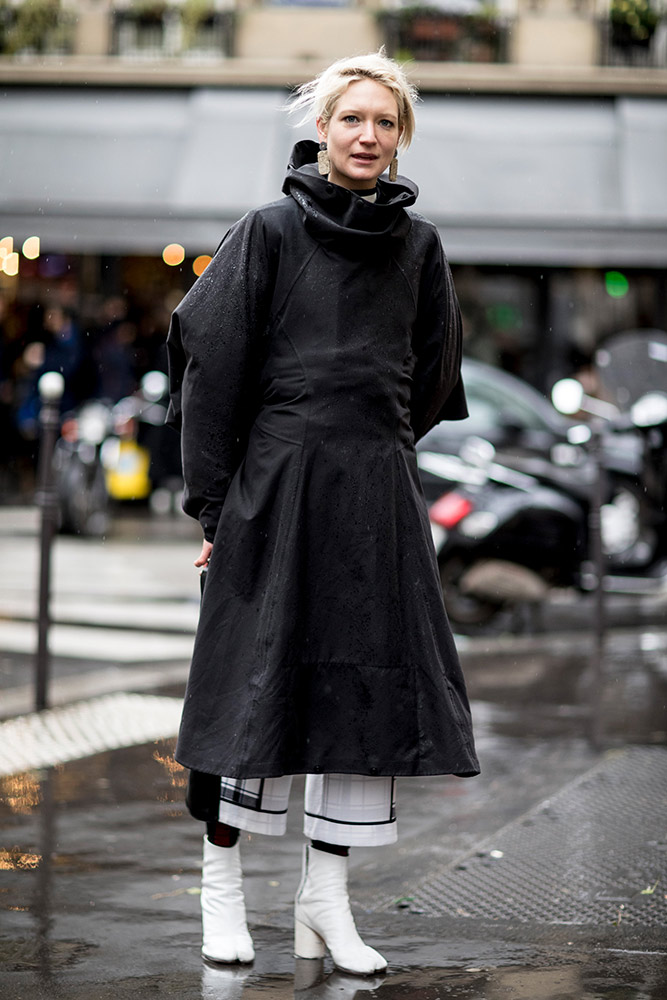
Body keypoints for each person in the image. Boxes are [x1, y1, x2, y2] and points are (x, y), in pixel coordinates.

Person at [166, 50, 479, 976]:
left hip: (374, 498)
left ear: (400, 136)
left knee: (359, 692)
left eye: (385, 122)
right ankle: (221, 893)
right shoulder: (267, 230)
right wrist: (217, 507)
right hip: (275, 489)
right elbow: (211, 369)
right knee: (245, 690)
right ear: (321, 128)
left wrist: (367, 442)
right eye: (353, 119)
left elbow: (430, 380)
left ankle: (324, 902)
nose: (368, 136)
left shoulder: (419, 248)